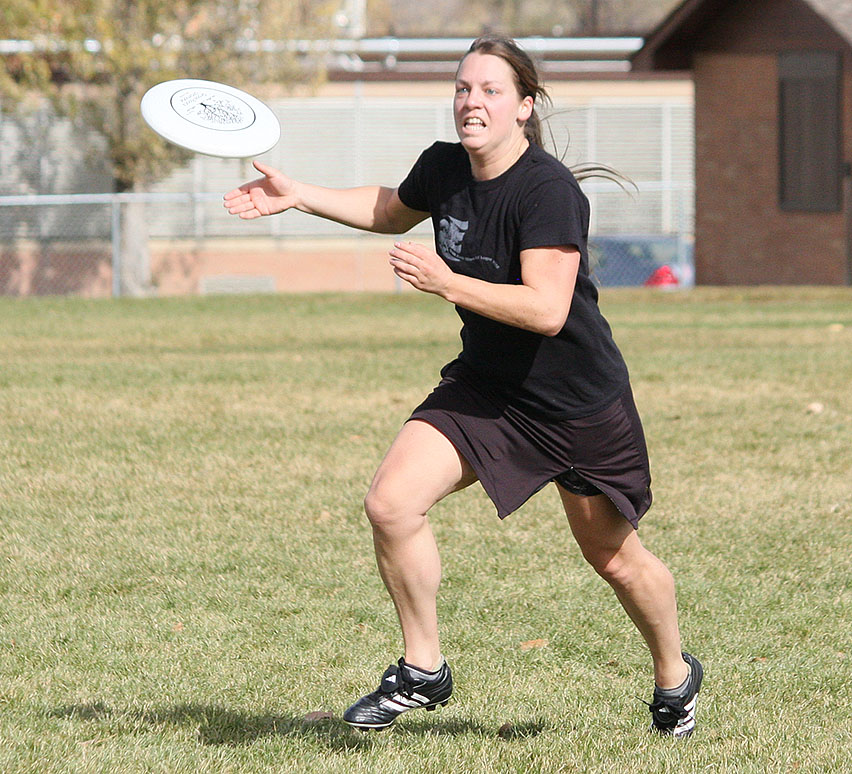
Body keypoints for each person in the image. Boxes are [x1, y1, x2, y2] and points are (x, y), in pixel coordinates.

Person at [223, 34, 703, 738]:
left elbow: (547, 309)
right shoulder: (445, 168)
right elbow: (391, 210)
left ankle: (675, 676)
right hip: (486, 387)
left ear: (524, 107)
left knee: (614, 558)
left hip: (575, 403)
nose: (471, 102)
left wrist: (448, 282)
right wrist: (299, 195)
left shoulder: (547, 192)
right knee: (391, 504)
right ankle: (424, 669)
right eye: (462, 88)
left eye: (490, 91)